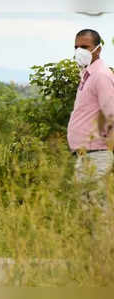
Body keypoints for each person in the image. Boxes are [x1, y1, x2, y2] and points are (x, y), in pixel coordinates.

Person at [67, 29, 114, 214]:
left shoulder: (101, 76)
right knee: (86, 211)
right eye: (76, 47)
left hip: (97, 154)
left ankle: (104, 243)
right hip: (86, 155)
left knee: (97, 211)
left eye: (85, 47)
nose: (80, 51)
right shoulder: (88, 75)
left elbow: (111, 114)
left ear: (98, 49)